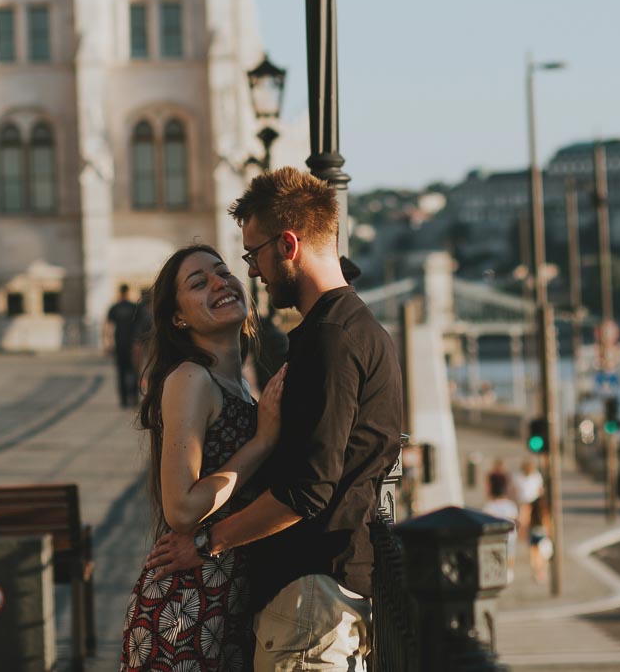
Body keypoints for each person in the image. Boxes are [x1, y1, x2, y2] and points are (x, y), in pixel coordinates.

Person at [145, 167, 405, 672]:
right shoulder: (345, 330)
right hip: (312, 592)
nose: (252, 272)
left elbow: (306, 490)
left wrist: (208, 542)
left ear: (287, 245)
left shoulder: (329, 338)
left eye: (253, 255)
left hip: (310, 597)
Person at [120, 245, 286, 671]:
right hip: (186, 609)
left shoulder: (236, 384)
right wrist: (264, 441)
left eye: (223, 272)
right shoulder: (191, 378)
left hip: (221, 603)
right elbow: (181, 508)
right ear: (178, 318)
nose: (220, 282)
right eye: (198, 282)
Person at [104, 283, 142, 408]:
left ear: (119, 292)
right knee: (134, 371)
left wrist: (108, 345)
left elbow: (109, 328)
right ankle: (135, 398)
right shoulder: (134, 307)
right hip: (133, 345)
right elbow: (140, 327)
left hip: (119, 344)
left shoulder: (114, 308)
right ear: (128, 292)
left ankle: (124, 400)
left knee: (121, 372)